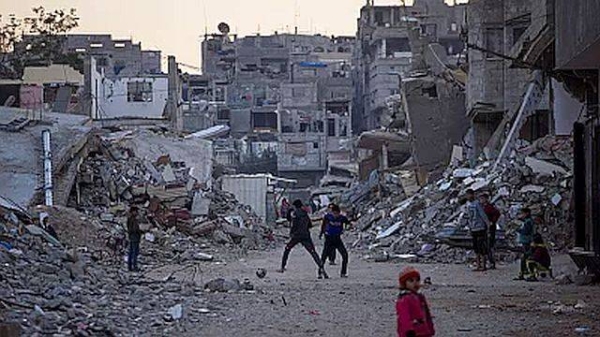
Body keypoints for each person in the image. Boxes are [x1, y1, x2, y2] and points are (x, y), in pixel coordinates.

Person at [279, 200, 328, 279]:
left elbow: (293, 224)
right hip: (306, 235)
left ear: (295, 206)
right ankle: (321, 267)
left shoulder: (294, 213)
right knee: (313, 252)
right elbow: (310, 225)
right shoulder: (305, 213)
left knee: (287, 249)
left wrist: (292, 233)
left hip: (296, 236)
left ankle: (282, 266)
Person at [396, 266, 435, 337]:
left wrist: (430, 329)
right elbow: (404, 317)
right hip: (412, 333)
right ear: (404, 284)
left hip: (423, 332)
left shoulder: (420, 297)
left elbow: (426, 315)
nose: (415, 283)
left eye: (417, 280)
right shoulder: (404, 299)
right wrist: (408, 330)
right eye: (411, 281)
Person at [319, 204, 350, 277]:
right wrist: (321, 233)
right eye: (334, 213)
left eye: (337, 213)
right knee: (324, 256)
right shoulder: (327, 217)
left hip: (337, 239)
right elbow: (323, 225)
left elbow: (348, 223)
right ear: (332, 212)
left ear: (339, 212)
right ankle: (320, 272)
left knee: (345, 255)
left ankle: (343, 273)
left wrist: (346, 228)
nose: (335, 215)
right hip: (329, 238)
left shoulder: (342, 218)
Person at [465, 189, 491, 271]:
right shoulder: (469, 205)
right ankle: (478, 265)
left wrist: (488, 225)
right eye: (467, 195)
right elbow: (470, 218)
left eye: (469, 195)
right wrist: (470, 228)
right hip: (474, 228)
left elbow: (483, 215)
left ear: (472, 195)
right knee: (476, 248)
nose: (468, 197)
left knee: (482, 248)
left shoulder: (477, 204)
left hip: (480, 228)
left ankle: (483, 265)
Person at [479, 193, 501, 269]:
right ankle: (486, 262)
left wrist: (492, 222)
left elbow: (497, 213)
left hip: (490, 228)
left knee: (489, 245)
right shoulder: (481, 207)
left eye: (482, 198)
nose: (481, 200)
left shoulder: (489, 207)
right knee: (484, 245)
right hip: (483, 227)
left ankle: (492, 262)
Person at [514, 207, 535, 280]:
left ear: (527, 213)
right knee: (525, 258)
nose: (521, 215)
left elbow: (526, 232)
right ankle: (524, 273)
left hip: (527, 241)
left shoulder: (528, 222)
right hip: (526, 241)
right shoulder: (527, 221)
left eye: (522, 213)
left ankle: (528, 274)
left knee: (527, 258)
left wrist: (518, 229)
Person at [127, 206, 142, 272]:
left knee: (131, 252)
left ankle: (130, 266)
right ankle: (134, 266)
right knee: (134, 252)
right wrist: (139, 232)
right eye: (135, 211)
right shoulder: (133, 220)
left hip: (132, 237)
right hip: (134, 237)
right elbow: (134, 229)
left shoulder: (130, 219)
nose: (136, 212)